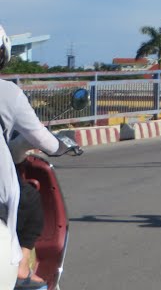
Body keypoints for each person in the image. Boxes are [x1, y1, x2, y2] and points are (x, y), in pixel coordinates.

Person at [0, 28, 78, 290]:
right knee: (30, 198)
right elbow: (41, 139)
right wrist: (60, 147)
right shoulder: (8, 92)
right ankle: (22, 265)